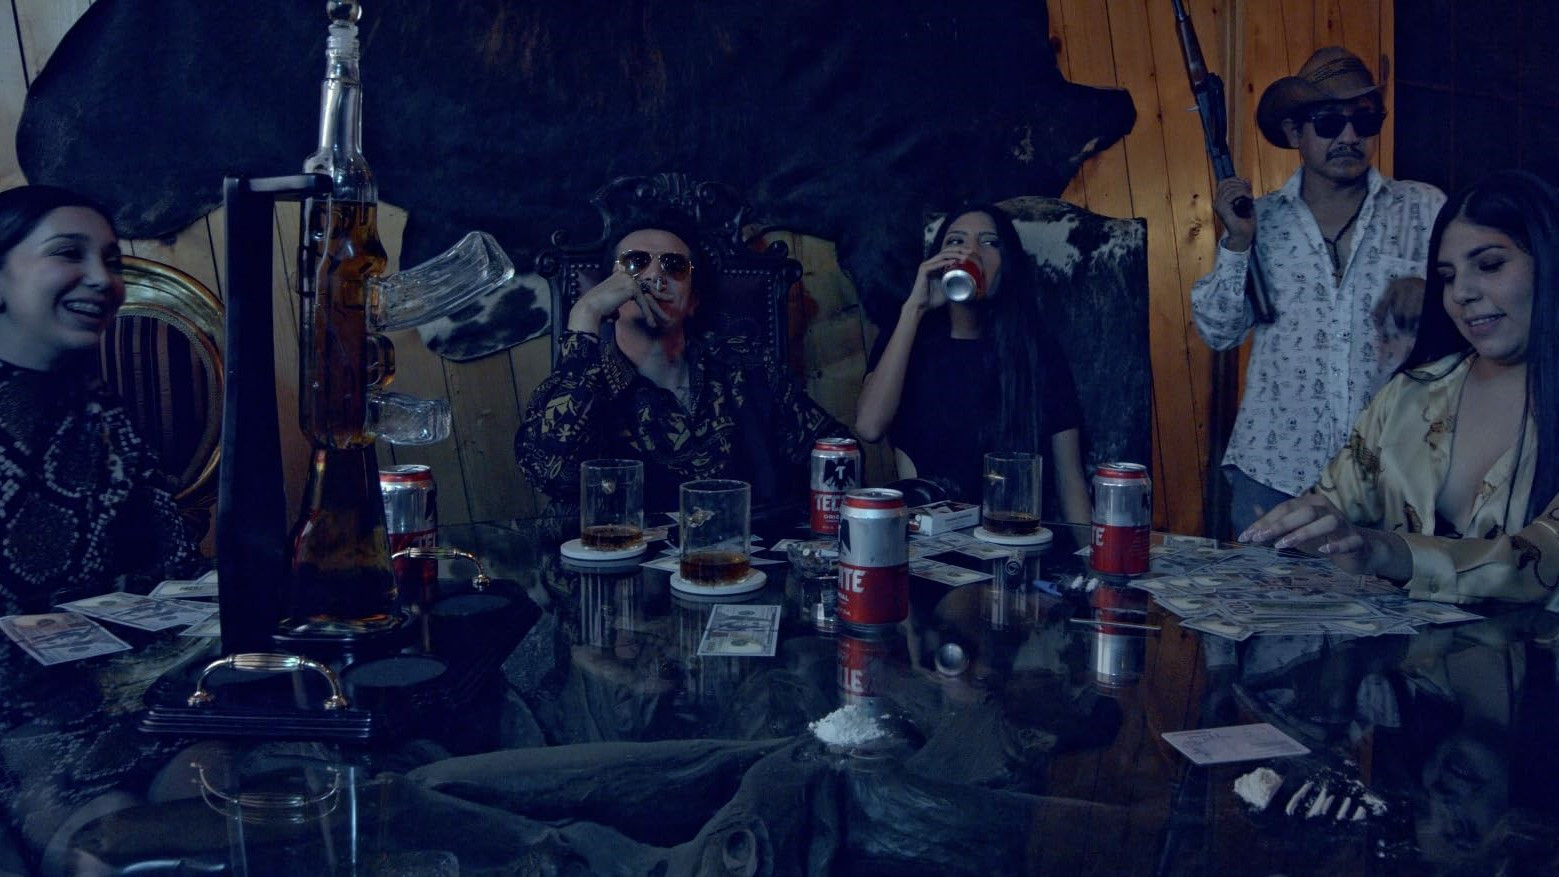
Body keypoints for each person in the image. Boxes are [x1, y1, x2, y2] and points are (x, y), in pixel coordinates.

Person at [1240, 170, 1559, 605]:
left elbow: (1541, 558)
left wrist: (1387, 551)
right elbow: (1333, 511)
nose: (1461, 293)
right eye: (1447, 276)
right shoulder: (1409, 394)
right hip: (1402, 651)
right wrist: (1306, 526)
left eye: (1489, 265)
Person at [1191, 46, 1446, 534]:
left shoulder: (1425, 209)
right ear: (1295, 134)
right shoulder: (1261, 220)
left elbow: (1472, 321)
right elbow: (1219, 331)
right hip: (1275, 473)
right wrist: (1237, 243)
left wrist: (1431, 296)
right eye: (1329, 123)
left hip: (1392, 473)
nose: (1349, 137)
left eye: (1364, 120)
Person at [517, 211, 849, 513]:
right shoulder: (584, 380)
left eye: (674, 266)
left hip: (738, 553)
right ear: (607, 292)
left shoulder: (748, 367)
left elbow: (837, 454)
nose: (654, 276)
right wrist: (585, 313)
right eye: (635, 264)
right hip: (621, 555)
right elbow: (551, 473)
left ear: (693, 302)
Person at [0, 185, 202, 612]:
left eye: (112, 262)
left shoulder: (97, 406)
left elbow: (172, 567)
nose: (102, 279)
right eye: (68, 253)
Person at [854, 203, 1091, 525]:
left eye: (990, 242)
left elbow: (1070, 479)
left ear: (1008, 264)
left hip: (1010, 536)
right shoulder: (907, 338)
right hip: (926, 538)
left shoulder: (1036, 351)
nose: (971, 252)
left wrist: (1095, 555)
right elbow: (869, 426)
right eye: (956, 241)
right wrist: (914, 309)